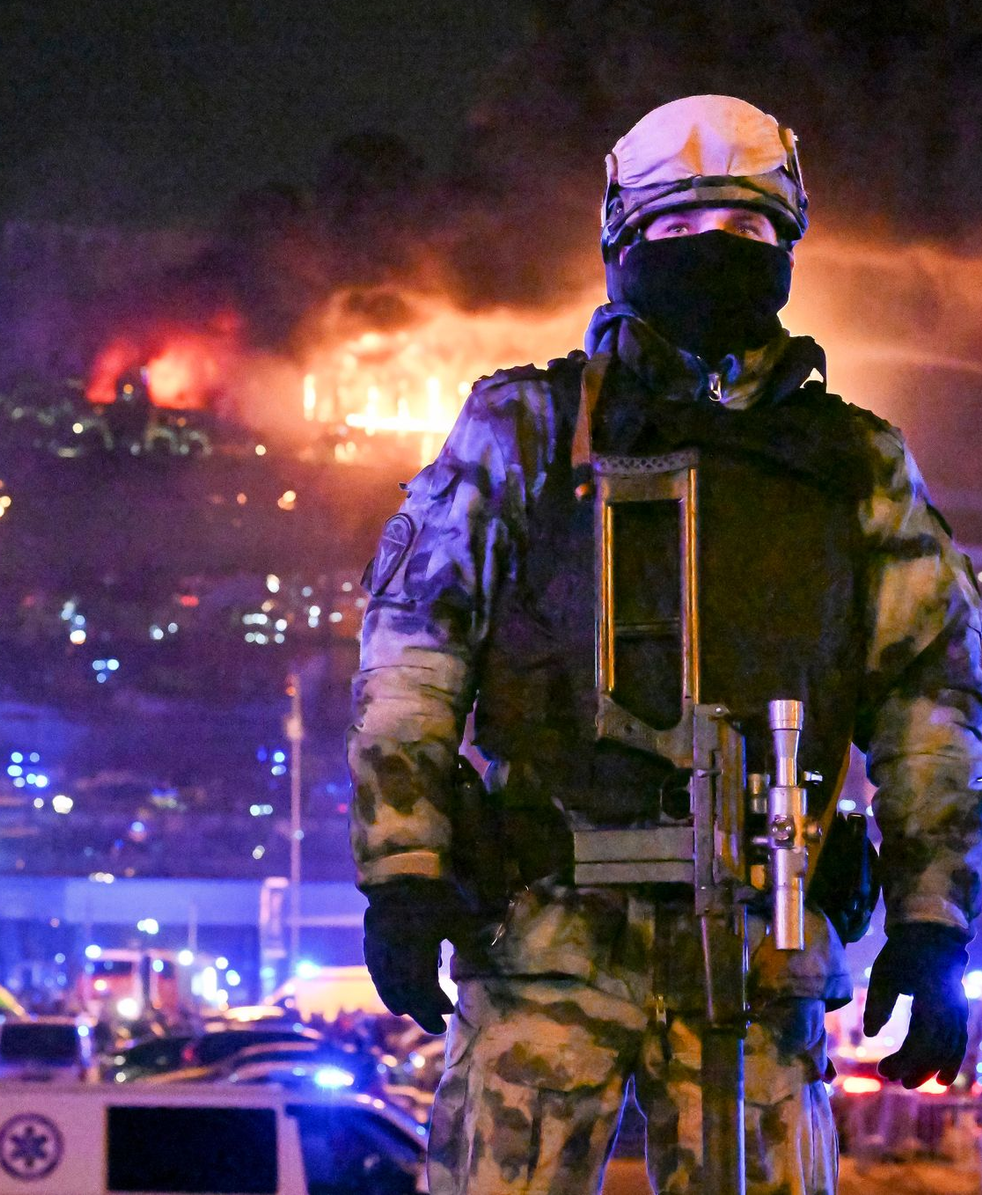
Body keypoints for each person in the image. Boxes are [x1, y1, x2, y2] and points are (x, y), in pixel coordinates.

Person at [347, 94, 982, 1194]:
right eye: (680, 232)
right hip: (545, 932)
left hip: (759, 949)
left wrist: (935, 921)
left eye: (745, 233)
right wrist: (404, 868)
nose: (713, 257)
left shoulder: (858, 466)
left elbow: (935, 702)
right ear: (621, 245)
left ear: (788, 249)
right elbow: (414, 653)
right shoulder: (524, 430)